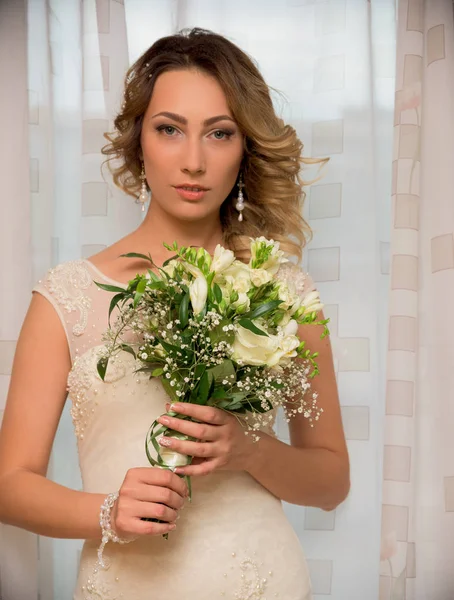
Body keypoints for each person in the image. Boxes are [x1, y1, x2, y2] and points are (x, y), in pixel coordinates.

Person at [0, 27, 350, 600]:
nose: (193, 161)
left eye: (219, 133)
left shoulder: (283, 292)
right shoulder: (66, 297)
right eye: (170, 129)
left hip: (263, 580)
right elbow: (10, 487)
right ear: (140, 141)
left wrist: (249, 450)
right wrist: (107, 511)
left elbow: (332, 481)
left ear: (245, 148)